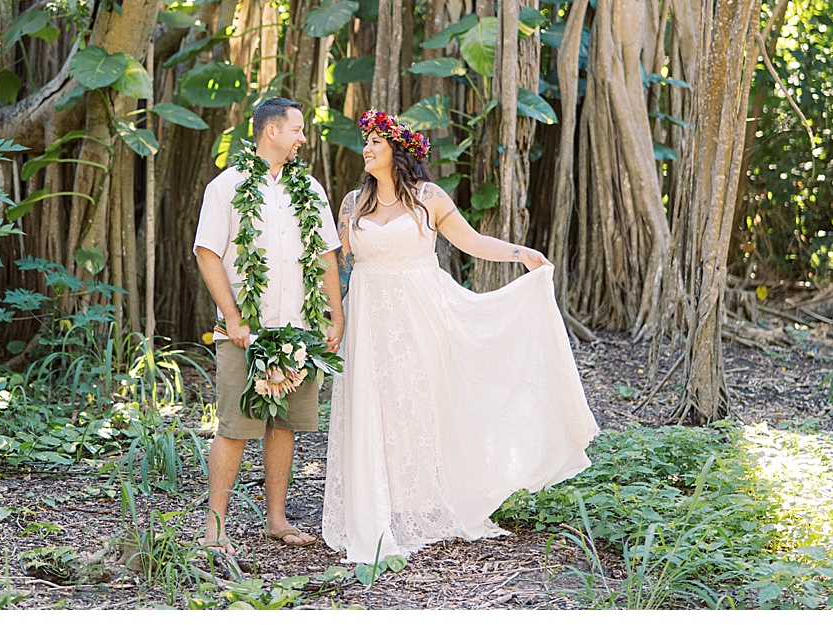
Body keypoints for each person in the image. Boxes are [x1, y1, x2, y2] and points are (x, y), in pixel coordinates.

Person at [323, 110, 599, 563]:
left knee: (419, 403)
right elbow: (340, 263)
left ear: (397, 149)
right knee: (373, 405)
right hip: (369, 317)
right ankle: (379, 504)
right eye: (366, 142)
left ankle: (423, 503)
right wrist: (332, 314)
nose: (366, 149)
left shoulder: (427, 197)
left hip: (421, 313)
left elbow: (470, 242)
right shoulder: (353, 202)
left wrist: (521, 254)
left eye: (375, 142)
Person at [193, 97, 344, 555]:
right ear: (271, 132)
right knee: (236, 428)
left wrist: (335, 315)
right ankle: (214, 527)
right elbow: (207, 252)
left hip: (298, 330)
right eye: (297, 129)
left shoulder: (311, 190)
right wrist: (234, 318)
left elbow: (326, 256)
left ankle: (276, 520)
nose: (303, 138)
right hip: (246, 333)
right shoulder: (227, 186)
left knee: (285, 427)